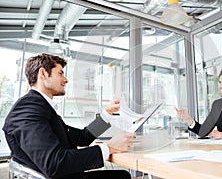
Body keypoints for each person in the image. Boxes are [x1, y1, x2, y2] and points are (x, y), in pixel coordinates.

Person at [2, 53, 135, 179]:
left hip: (69, 175)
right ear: (43, 73)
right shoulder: (27, 110)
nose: (65, 80)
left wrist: (107, 114)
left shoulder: (40, 107)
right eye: (60, 73)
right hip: (64, 175)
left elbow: (82, 138)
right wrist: (110, 147)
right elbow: (54, 164)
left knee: (122, 175)